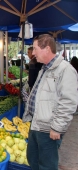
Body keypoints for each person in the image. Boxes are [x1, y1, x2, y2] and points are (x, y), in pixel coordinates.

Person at [23, 34, 78, 170]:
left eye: (35, 49)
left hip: (49, 128)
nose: (33, 53)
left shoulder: (65, 70)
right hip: (36, 124)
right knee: (33, 159)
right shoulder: (44, 68)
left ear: (47, 49)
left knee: (47, 165)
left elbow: (69, 102)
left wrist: (57, 127)